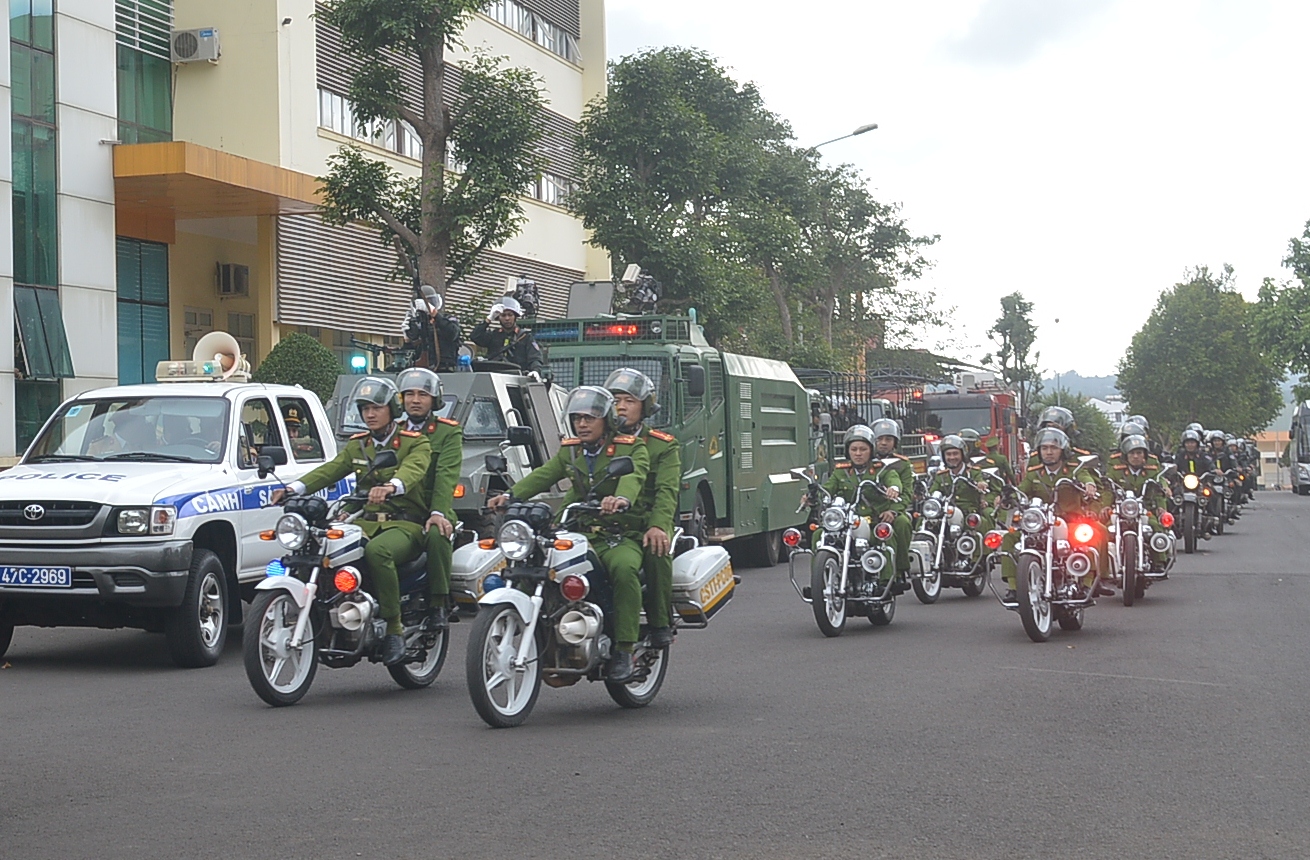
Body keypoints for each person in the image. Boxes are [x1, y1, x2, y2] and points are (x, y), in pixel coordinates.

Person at [489, 386, 650, 682]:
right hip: (578, 531)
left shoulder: (630, 448)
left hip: (618, 534)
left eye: (590, 418)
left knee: (625, 569)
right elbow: (544, 475)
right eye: (577, 418)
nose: (582, 424)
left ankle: (625, 649)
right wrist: (510, 495)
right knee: (536, 567)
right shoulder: (571, 449)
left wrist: (621, 499)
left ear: (607, 420)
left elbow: (632, 476)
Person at [272, 377, 431, 666]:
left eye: (377, 408)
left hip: (404, 524)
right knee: (323, 547)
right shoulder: (358, 446)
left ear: (392, 409)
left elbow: (414, 469)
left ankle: (394, 628)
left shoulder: (413, 444)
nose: (370, 414)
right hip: (365, 521)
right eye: (364, 408)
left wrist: (392, 486)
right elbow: (331, 469)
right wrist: (292, 489)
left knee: (378, 552)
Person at [606, 367, 681, 649]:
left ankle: (661, 621)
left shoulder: (662, 446)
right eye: (615, 401)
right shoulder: (601, 439)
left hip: (646, 520)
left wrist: (659, 524)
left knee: (656, 550)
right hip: (605, 521)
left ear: (645, 407)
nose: (621, 407)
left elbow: (666, 491)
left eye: (629, 401)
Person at [999, 427, 1106, 602]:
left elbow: (1086, 477)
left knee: (1089, 536)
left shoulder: (1074, 469)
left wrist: (1089, 485)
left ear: (1062, 451)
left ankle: (1087, 584)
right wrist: (1007, 496)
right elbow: (1022, 491)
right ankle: (1013, 588)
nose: (1049, 452)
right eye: (1045, 448)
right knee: (1010, 537)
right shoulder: (1034, 472)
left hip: (1068, 521)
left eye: (1053, 448)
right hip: (1040, 523)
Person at [397, 367, 463, 630]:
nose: (415, 400)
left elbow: (446, 477)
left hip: (433, 508)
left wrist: (438, 512)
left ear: (434, 400)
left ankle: (439, 601)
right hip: (400, 508)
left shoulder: (448, 432)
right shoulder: (394, 431)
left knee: (437, 535)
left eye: (422, 394)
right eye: (409, 394)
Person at [927, 434, 998, 564]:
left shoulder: (973, 472)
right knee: (925, 522)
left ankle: (980, 560)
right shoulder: (941, 476)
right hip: (947, 512)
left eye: (955, 454)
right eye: (948, 454)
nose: (952, 457)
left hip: (968, 512)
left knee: (978, 522)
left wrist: (981, 485)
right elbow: (933, 491)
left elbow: (980, 480)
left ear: (962, 455)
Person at [1107, 434, 1171, 571]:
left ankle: (1159, 561)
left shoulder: (1152, 471)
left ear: (1145, 455)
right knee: (1103, 530)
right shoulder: (1116, 471)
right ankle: (1104, 566)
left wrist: (1161, 507)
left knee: (1155, 525)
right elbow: (1107, 489)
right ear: (1126, 456)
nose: (1135, 456)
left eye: (1139, 453)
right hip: (1120, 510)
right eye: (1132, 453)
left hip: (1144, 509)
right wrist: (1105, 507)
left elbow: (1159, 487)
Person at [469, 296, 545, 376]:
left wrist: (535, 371)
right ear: (498, 317)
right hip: (495, 377)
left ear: (515, 316)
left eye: (510, 315)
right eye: (503, 315)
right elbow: (475, 336)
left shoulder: (525, 337)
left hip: (517, 377)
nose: (507, 318)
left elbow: (535, 358)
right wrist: (489, 319)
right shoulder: (494, 335)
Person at [402, 288, 462, 372]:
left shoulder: (447, 319)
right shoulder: (417, 323)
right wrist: (407, 339)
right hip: (420, 372)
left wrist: (435, 314)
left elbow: (452, 333)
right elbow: (408, 355)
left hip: (445, 370)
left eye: (430, 301)